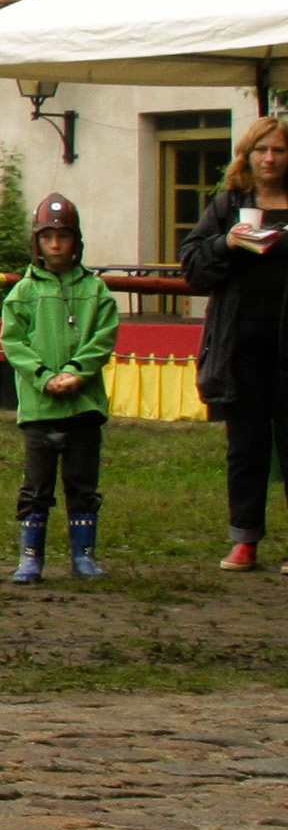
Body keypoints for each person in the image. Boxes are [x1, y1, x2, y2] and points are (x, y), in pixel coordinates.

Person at [182, 114, 288, 569]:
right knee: (246, 446)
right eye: (261, 150)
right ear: (247, 156)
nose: (270, 158)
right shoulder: (228, 205)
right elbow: (193, 267)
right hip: (240, 345)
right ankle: (245, 540)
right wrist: (226, 243)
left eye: (279, 150)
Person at [1, 193, 118, 585]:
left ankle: (83, 556)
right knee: (37, 486)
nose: (55, 244)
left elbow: (103, 336)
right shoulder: (23, 292)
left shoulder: (96, 290)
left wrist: (76, 372)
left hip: (84, 406)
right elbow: (13, 342)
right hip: (40, 408)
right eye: (47, 237)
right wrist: (43, 376)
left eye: (63, 236)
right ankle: (30, 557)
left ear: (76, 241)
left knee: (82, 484)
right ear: (36, 242)